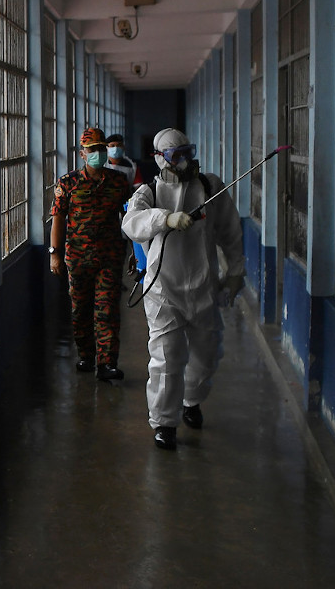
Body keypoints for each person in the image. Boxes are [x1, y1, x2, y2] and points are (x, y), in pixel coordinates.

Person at [122, 127, 245, 450]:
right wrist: (165, 219)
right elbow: (131, 223)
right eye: (176, 156)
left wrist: (235, 272)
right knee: (166, 359)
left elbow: (231, 232)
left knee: (207, 355)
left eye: (187, 153)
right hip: (163, 291)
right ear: (159, 158)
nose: (184, 161)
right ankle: (164, 423)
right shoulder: (148, 192)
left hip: (204, 287)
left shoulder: (210, 187)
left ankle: (192, 399)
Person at [50, 127, 131, 381]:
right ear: (82, 154)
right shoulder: (68, 183)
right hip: (78, 258)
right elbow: (58, 219)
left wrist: (136, 252)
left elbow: (131, 218)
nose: (97, 153)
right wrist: (54, 253)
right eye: (92, 149)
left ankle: (107, 363)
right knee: (81, 310)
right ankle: (86, 355)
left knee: (107, 310)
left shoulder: (118, 182)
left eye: (100, 148)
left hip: (110, 256)